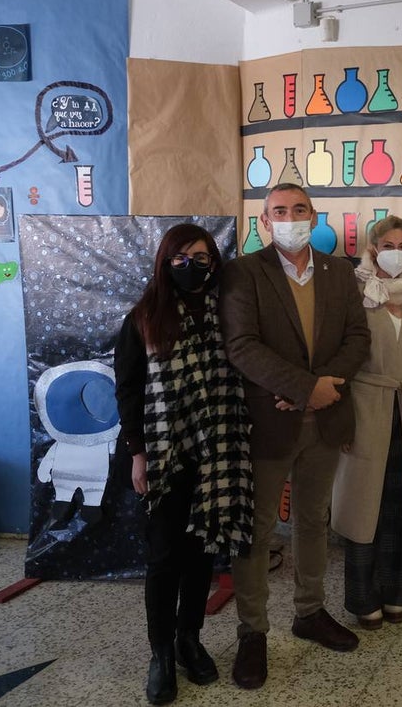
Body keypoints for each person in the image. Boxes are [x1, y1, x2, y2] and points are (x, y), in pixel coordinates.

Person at [220, 183, 371, 689]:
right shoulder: (243, 272)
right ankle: (252, 632)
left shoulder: (338, 271)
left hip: (325, 420)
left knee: (313, 520)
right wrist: (305, 389)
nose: (290, 218)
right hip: (269, 422)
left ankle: (309, 612)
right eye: (279, 211)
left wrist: (321, 390)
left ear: (314, 215)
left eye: (299, 209)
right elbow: (242, 346)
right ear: (265, 222)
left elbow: (358, 338)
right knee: (259, 530)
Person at [114, 223, 254, 705]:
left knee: (201, 552)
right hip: (164, 453)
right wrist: (138, 454)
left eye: (201, 257)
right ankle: (160, 654)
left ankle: (188, 639)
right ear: (165, 262)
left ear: (214, 262)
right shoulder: (144, 317)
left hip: (219, 450)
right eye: (181, 258)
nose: (191, 266)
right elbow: (128, 390)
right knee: (163, 558)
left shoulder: (228, 313)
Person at [332, 216, 402, 629]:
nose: (397, 252)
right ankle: (362, 597)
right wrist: (340, 417)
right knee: (363, 506)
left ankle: (397, 592)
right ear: (373, 248)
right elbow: (336, 356)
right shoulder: (354, 292)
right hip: (365, 406)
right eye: (389, 245)